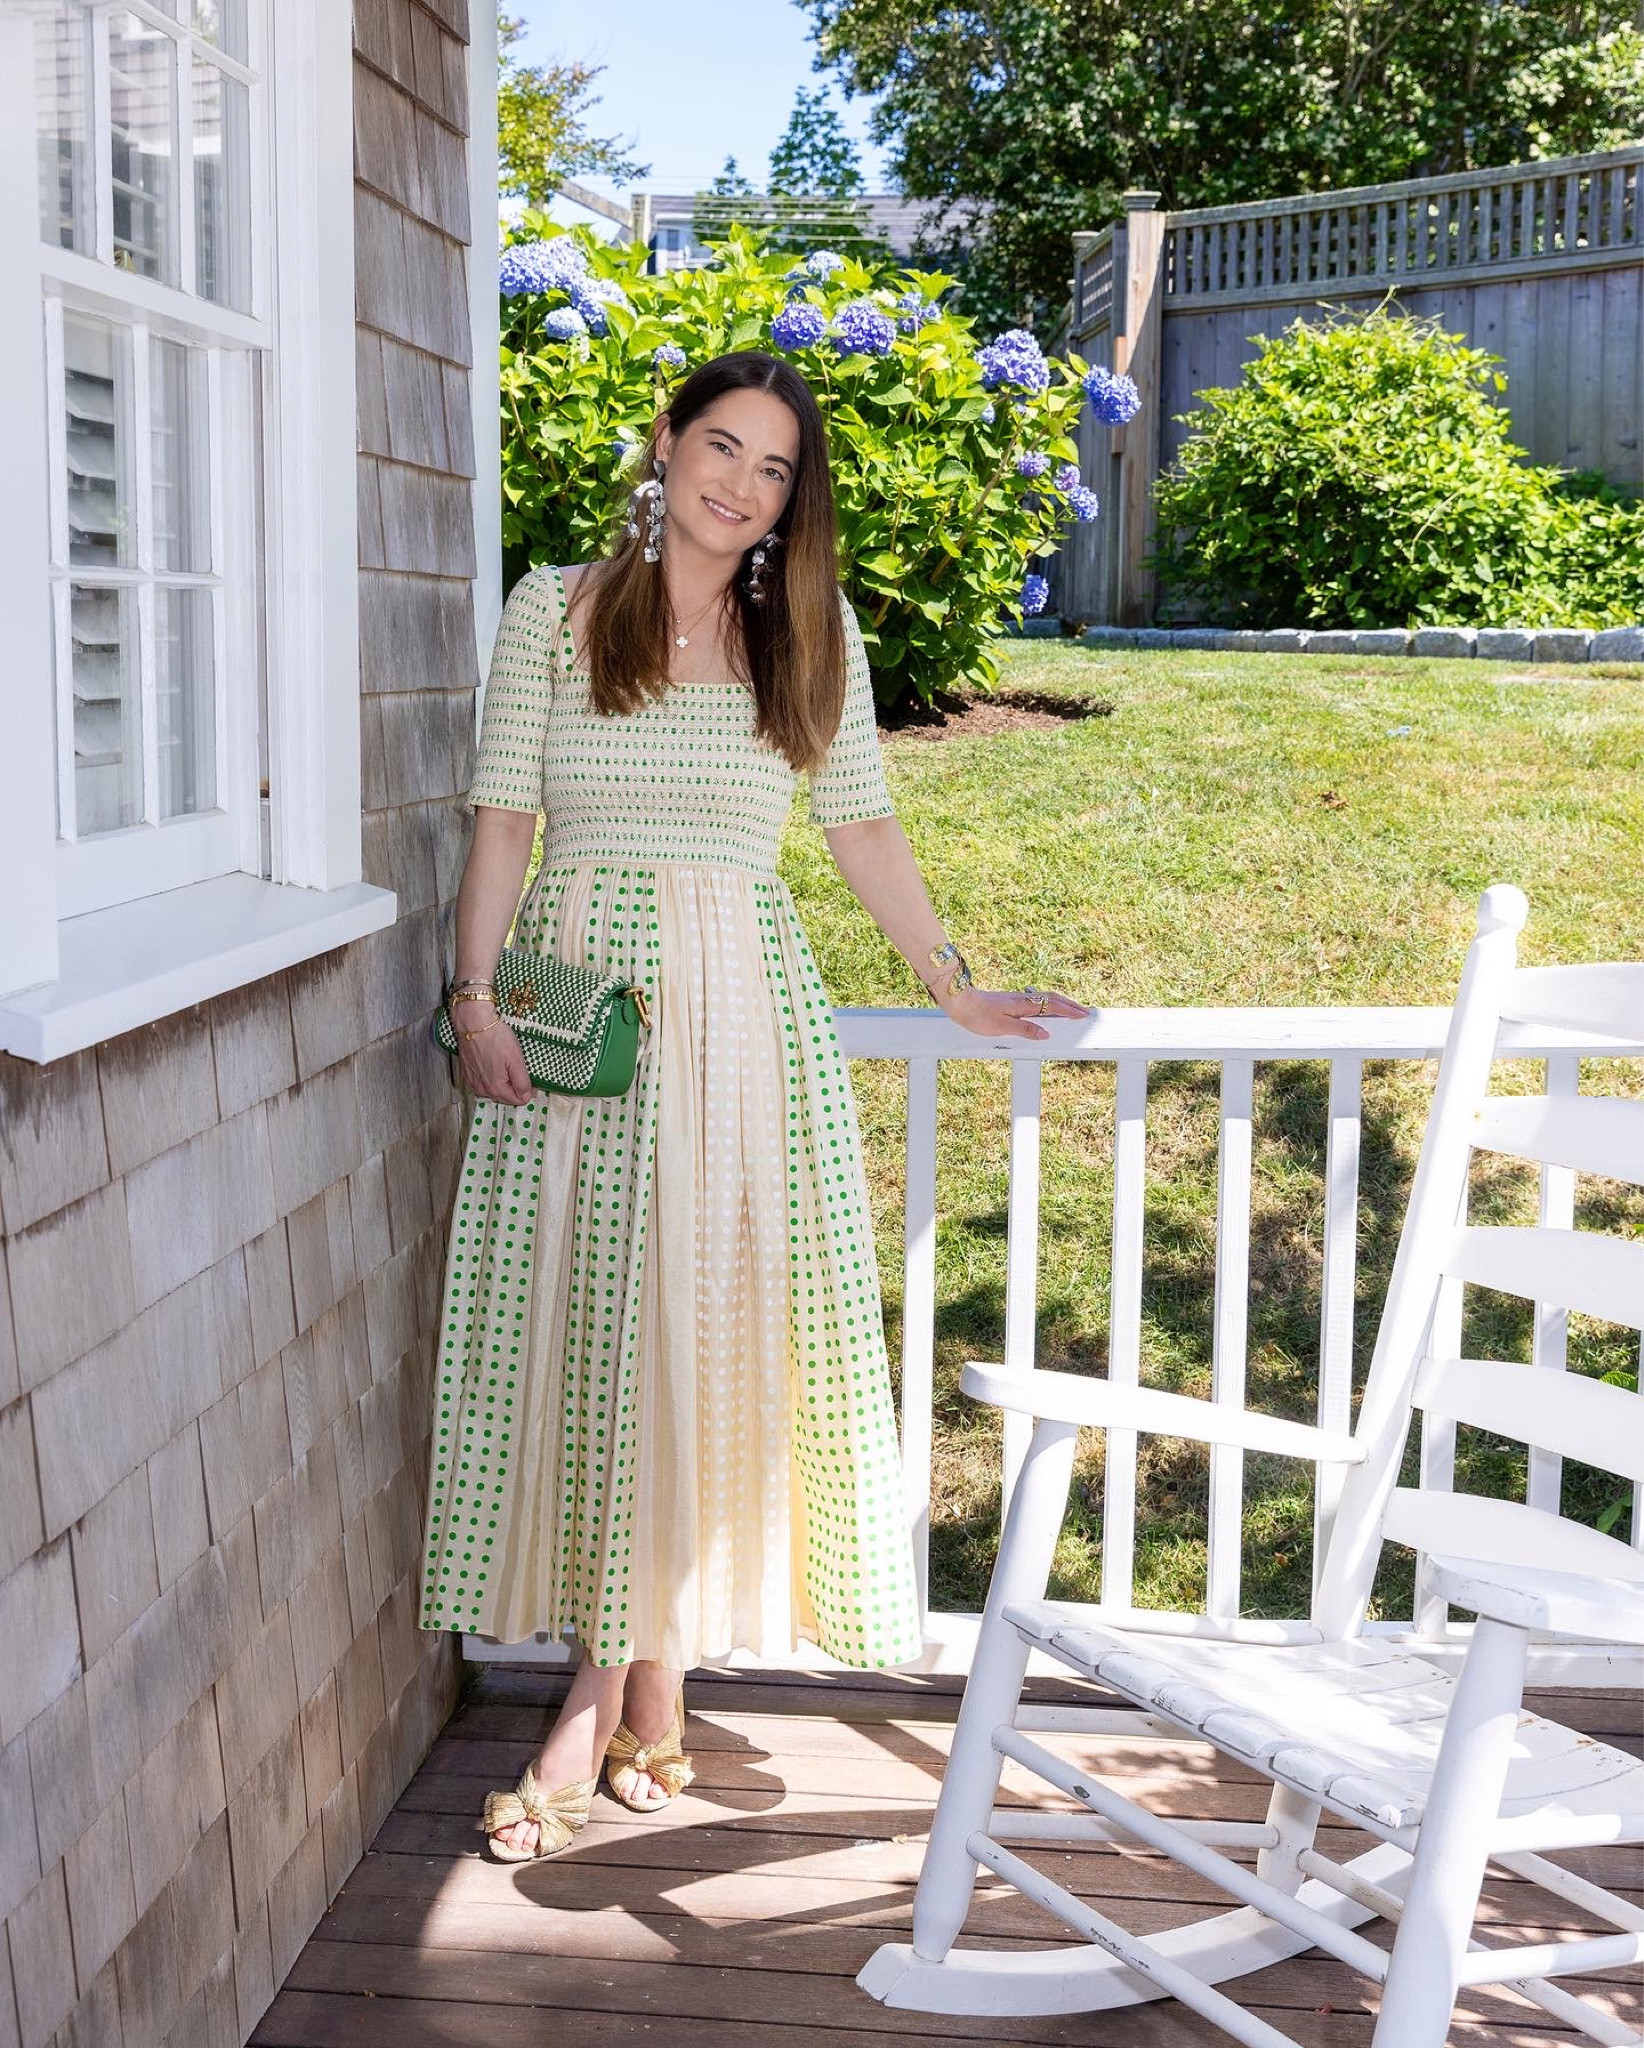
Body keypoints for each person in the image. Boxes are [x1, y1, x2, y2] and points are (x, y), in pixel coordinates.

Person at [418, 349, 1089, 1861]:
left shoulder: (814, 630)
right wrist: (472, 999)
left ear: (796, 497)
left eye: (774, 467)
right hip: (587, 1015)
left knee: (701, 1336)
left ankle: (595, 1704)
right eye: (721, 447)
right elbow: (506, 818)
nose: (739, 483)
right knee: (607, 1334)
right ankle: (655, 1685)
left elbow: (860, 823)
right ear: (666, 446)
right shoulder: (559, 608)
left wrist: (956, 981)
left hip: (739, 1018)